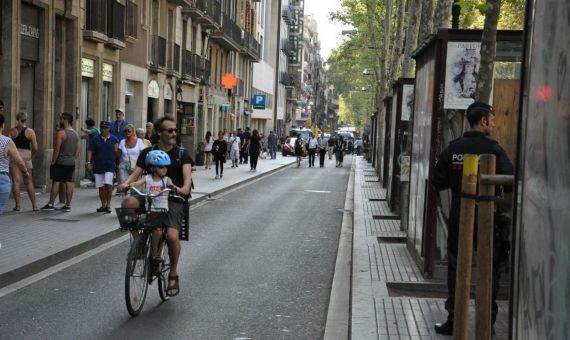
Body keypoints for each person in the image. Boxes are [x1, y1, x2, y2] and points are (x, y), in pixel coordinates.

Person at [431, 102, 514, 336]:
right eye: (493, 119)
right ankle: (486, 321)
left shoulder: (454, 149)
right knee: (491, 268)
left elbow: (439, 181)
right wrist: (503, 207)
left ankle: (454, 320)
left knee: (457, 267)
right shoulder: (494, 150)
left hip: (460, 214)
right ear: (484, 121)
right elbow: (510, 179)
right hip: (489, 215)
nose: (494, 124)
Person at [119, 116, 193, 297]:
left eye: (175, 130)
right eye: (170, 130)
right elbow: (136, 174)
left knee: (172, 236)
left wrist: (184, 188)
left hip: (173, 198)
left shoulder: (182, 154)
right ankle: (139, 244)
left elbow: (187, 176)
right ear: (160, 133)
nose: (174, 133)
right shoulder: (148, 152)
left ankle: (173, 274)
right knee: (127, 203)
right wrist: (126, 184)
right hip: (151, 195)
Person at [41, 113, 79, 211]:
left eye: (61, 119)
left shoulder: (61, 133)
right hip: (71, 162)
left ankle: (50, 204)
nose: (60, 121)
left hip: (61, 162)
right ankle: (68, 205)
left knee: (56, 182)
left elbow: (57, 149)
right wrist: (72, 158)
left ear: (65, 120)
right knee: (69, 182)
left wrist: (53, 161)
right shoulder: (75, 133)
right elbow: (77, 150)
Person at [0, 113, 30, 214]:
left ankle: (17, 205)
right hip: (2, 179)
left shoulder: (12, 133)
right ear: (3, 125)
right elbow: (19, 161)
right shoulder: (6, 141)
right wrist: (25, 172)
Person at [87, 121, 119, 213]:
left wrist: (117, 160)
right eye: (102, 128)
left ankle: (108, 204)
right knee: (101, 186)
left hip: (109, 165)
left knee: (108, 184)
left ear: (109, 129)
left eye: (105, 128)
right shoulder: (95, 139)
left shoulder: (114, 139)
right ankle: (103, 204)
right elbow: (90, 150)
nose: (103, 129)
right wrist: (88, 162)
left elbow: (117, 153)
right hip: (98, 165)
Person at [9, 111, 38, 211]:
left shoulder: (12, 131)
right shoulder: (30, 132)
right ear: (26, 119)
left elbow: (8, 146)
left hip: (15, 156)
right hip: (27, 157)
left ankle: (17, 206)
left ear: (17, 119)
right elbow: (35, 147)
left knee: (16, 182)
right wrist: (32, 156)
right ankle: (34, 206)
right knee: (29, 182)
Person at [81, 118, 100, 184]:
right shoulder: (97, 130)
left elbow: (89, 132)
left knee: (90, 164)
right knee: (91, 164)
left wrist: (82, 129)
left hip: (93, 151)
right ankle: (93, 179)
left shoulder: (94, 130)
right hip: (94, 150)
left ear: (88, 125)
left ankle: (94, 179)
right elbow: (87, 136)